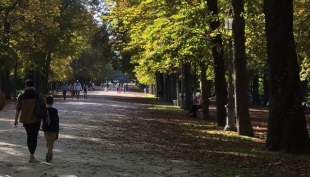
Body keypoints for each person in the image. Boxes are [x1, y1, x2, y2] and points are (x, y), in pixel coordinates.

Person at [14, 79, 50, 163]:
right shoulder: (38, 95)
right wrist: (47, 117)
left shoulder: (21, 96)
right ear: (33, 86)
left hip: (25, 120)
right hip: (35, 119)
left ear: (26, 86)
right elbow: (44, 107)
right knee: (34, 137)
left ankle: (31, 154)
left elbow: (17, 109)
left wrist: (15, 119)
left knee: (29, 136)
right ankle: (31, 155)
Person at [42, 95, 59, 163]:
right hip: (53, 128)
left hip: (46, 128)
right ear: (52, 102)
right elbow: (56, 120)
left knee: (48, 142)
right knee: (50, 142)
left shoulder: (44, 110)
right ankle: (50, 154)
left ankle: (49, 154)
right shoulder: (54, 110)